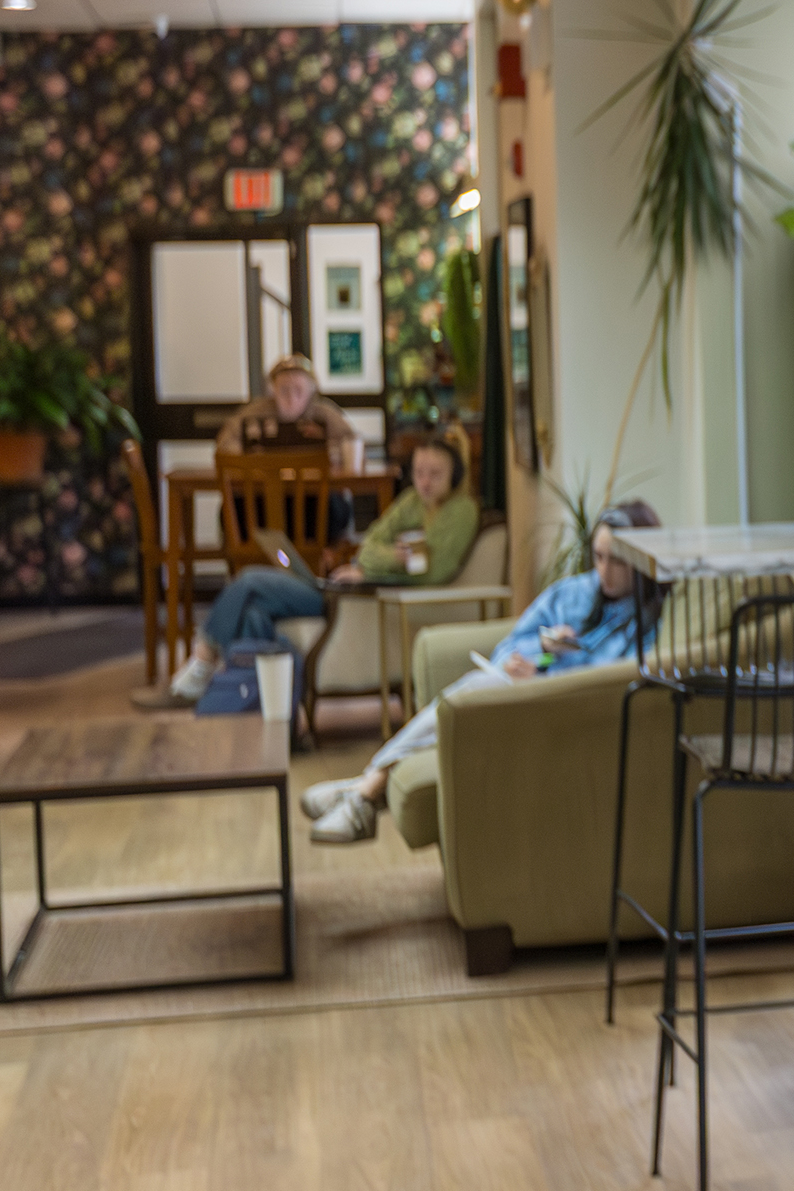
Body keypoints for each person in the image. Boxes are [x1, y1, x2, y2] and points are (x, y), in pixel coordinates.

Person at [301, 501, 661, 843]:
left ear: (641, 559)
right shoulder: (574, 592)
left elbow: (609, 680)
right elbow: (514, 644)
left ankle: (360, 791)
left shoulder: (645, 623)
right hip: (517, 685)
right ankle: (363, 794)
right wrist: (539, 657)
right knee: (478, 690)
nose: (604, 571)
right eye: (598, 557)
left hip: (560, 706)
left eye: (616, 560)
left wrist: (543, 676)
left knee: (475, 692)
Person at [134, 432, 474, 711]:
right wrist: (391, 558)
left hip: (358, 597)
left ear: (455, 475)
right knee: (255, 613)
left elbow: (433, 570)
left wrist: (382, 566)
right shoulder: (413, 502)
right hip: (349, 584)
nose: (425, 482)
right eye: (419, 473)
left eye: (436, 474)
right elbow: (370, 545)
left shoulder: (460, 511)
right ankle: (264, 713)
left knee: (249, 581)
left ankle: (202, 665)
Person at [218, 353, 364, 469]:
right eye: (284, 390)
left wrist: (327, 454)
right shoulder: (256, 412)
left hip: (315, 493)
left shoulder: (325, 414)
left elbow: (353, 448)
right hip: (264, 492)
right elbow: (224, 446)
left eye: (298, 390)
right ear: (273, 390)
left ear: (311, 390)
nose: (291, 398)